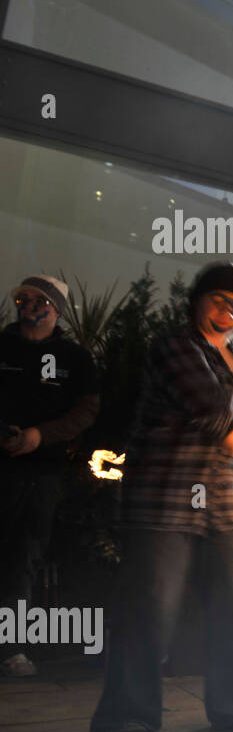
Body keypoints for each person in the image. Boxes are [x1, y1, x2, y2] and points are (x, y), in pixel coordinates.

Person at [90, 262, 233, 732]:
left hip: (226, 496)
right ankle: (125, 717)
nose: (229, 313)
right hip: (166, 491)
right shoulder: (176, 347)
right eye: (220, 301)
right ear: (198, 301)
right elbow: (212, 412)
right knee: (149, 607)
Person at [0, 275, 101, 677]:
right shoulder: (2, 344)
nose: (29, 305)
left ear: (56, 308)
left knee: (23, 556)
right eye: (23, 298)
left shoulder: (74, 358)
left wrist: (40, 436)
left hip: (41, 473)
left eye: (40, 300)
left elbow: (86, 411)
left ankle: (11, 649)